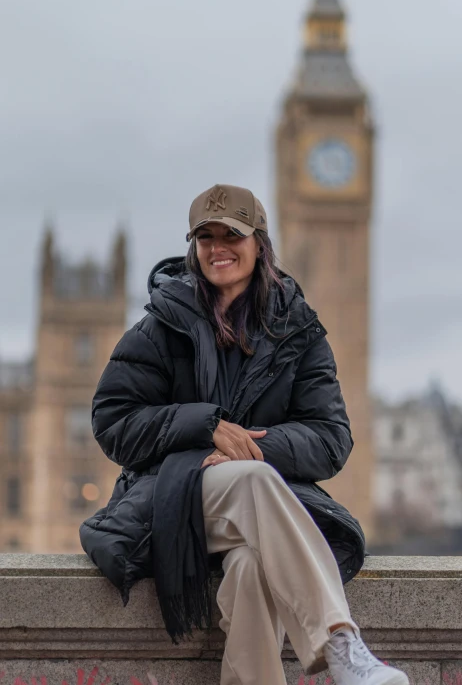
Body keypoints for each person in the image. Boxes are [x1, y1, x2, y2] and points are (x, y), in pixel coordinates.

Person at [80, 184, 408, 685]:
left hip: (262, 512)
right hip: (172, 498)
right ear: (193, 248)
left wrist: (249, 449)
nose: (218, 249)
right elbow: (113, 421)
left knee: (252, 568)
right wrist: (206, 427)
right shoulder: (159, 327)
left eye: (231, 234)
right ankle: (339, 643)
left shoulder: (299, 331)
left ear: (259, 243)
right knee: (252, 480)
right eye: (205, 237)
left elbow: (331, 439)